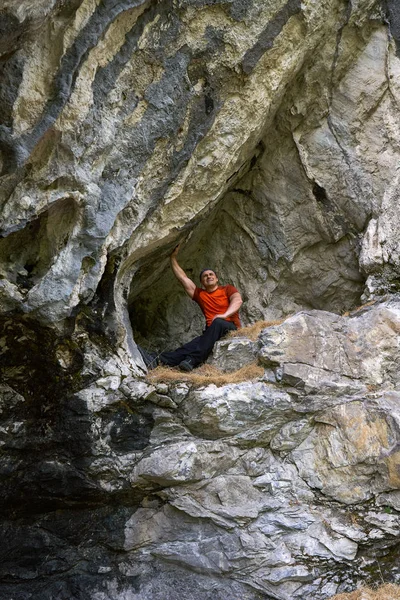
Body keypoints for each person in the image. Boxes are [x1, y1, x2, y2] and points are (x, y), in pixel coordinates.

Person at [139, 244, 243, 372]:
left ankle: (193, 360)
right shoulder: (200, 294)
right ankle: (155, 360)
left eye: (211, 274)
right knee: (187, 348)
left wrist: (224, 315)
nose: (209, 276)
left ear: (216, 279)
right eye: (205, 276)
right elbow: (183, 278)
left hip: (230, 328)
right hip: (211, 333)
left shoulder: (227, 289)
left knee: (218, 323)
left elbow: (237, 300)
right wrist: (172, 258)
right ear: (202, 282)